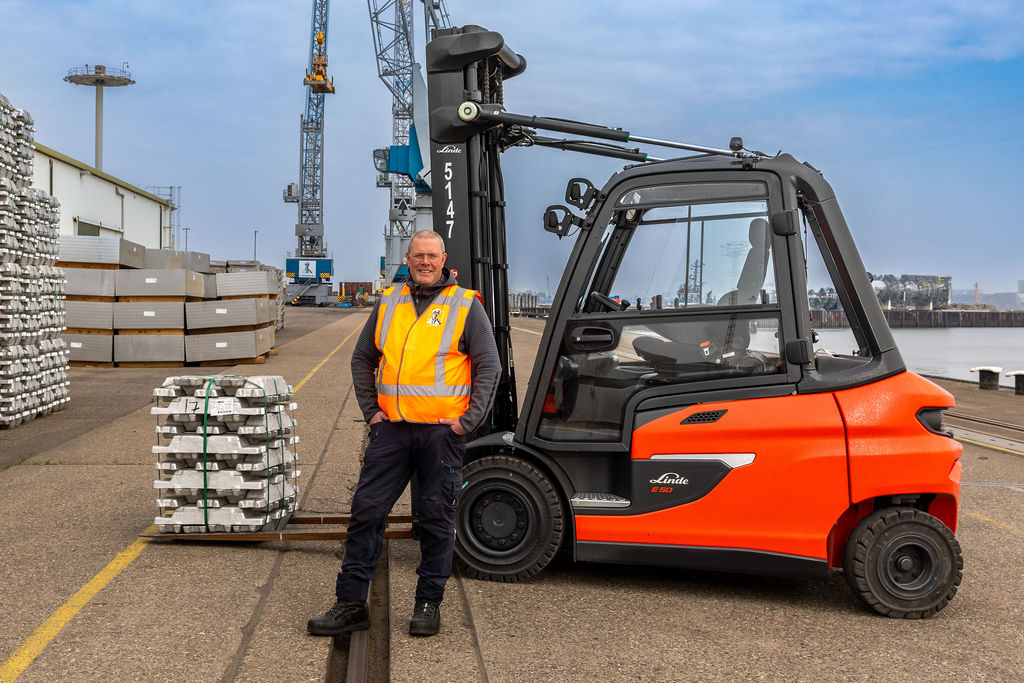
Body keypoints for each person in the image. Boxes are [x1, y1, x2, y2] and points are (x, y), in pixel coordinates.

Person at [308, 230, 501, 638]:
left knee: (435, 518)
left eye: (432, 256)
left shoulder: (465, 305)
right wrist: (371, 412)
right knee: (366, 512)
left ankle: (428, 604)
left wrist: (467, 422)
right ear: (408, 259)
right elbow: (363, 358)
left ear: (443, 259)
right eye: (418, 256)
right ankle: (350, 604)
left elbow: (490, 367)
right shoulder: (390, 301)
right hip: (392, 431)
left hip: (440, 435)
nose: (425, 263)